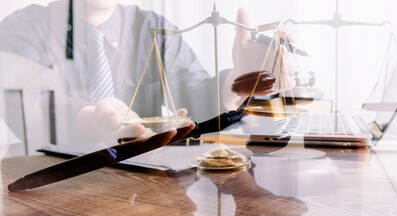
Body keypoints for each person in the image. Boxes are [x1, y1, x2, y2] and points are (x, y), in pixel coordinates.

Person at [0, 0, 295, 144]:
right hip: (51, 204)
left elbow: (195, 94)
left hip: (144, 197)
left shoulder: (152, 28)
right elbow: (30, 108)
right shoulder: (20, 30)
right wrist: (93, 121)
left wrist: (237, 82)